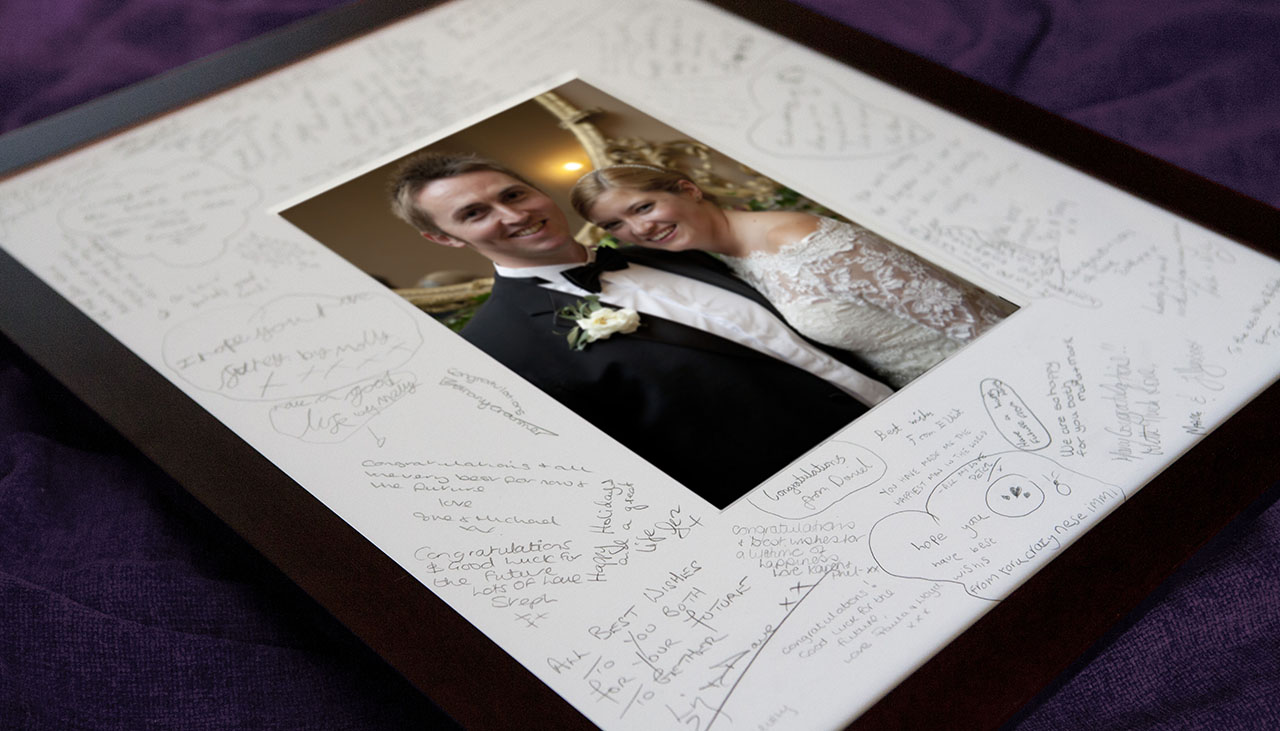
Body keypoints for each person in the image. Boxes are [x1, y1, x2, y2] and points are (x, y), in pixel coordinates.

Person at [389, 152, 891, 507]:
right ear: (443, 238)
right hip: (813, 499)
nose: (514, 214)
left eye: (514, 194)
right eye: (474, 214)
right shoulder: (495, 349)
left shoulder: (672, 248)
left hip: (898, 408)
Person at [572, 164, 1015, 388]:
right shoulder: (723, 259)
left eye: (643, 207)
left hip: (994, 373)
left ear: (688, 188)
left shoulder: (806, 241)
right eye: (616, 225)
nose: (638, 229)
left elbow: (975, 321)